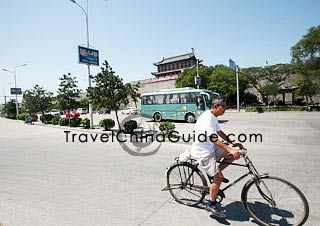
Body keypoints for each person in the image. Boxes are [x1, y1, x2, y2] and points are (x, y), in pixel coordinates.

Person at [191, 98, 243, 218]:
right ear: (215, 107)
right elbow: (213, 138)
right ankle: (211, 203)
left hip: (211, 148)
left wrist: (232, 142)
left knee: (232, 157)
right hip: (203, 152)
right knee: (219, 177)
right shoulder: (207, 118)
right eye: (223, 107)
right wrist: (229, 148)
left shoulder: (213, 117)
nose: (225, 109)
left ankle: (213, 173)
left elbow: (219, 132)